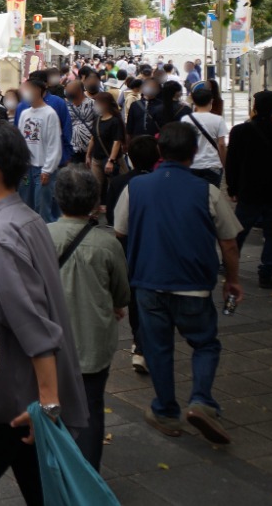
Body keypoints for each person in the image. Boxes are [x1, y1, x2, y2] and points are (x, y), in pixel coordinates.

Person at [0, 121, 87, 506]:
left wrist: (46, 404)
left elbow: (32, 325)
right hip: (24, 397)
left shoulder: (1, 237)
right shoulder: (27, 220)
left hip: (13, 402)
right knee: (42, 489)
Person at [114, 123, 243, 444]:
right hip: (194, 284)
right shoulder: (208, 191)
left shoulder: (136, 188)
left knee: (157, 349)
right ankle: (201, 401)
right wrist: (233, 280)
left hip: (148, 282)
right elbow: (229, 243)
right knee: (205, 343)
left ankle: (166, 411)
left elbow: (120, 232)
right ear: (194, 153)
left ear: (161, 151)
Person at [48, 167, 130, 470]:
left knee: (49, 405)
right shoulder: (108, 244)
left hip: (49, 345)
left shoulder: (40, 236)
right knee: (91, 410)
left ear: (57, 199)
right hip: (93, 345)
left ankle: (53, 469)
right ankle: (87, 476)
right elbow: (122, 294)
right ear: (96, 203)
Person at [225, 90, 272, 289]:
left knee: (239, 231)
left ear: (255, 107)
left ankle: (230, 266)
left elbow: (232, 163)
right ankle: (266, 273)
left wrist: (233, 188)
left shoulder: (240, 132)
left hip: (248, 191)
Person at [105, 135, 159, 374]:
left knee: (137, 298)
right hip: (156, 248)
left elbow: (113, 222)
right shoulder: (159, 182)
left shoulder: (119, 183)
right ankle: (145, 345)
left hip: (129, 249)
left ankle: (140, 345)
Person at [16, 78, 63, 224]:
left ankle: (47, 241)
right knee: (25, 206)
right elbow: (20, 141)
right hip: (26, 168)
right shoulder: (25, 113)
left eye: (28, 89)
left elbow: (54, 144)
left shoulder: (50, 114)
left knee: (42, 208)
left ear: (38, 91)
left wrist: (48, 169)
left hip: (43, 169)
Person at [185, 85, 228, 186]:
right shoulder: (218, 120)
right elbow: (222, 145)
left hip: (192, 164)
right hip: (213, 165)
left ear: (194, 102)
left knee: (194, 196)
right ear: (211, 101)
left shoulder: (186, 120)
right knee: (212, 197)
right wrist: (224, 164)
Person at [86, 91, 124, 204]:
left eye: (98, 103)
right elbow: (93, 139)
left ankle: (112, 212)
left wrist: (111, 160)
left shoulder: (115, 121)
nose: (96, 105)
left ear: (106, 104)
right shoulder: (97, 120)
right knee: (95, 187)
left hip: (109, 159)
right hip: (96, 159)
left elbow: (117, 142)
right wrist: (88, 155)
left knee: (113, 186)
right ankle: (94, 215)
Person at [64, 80, 96, 165]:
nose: (67, 93)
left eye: (69, 90)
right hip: (73, 149)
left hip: (90, 147)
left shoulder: (92, 104)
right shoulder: (66, 106)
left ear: (78, 90)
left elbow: (100, 124)